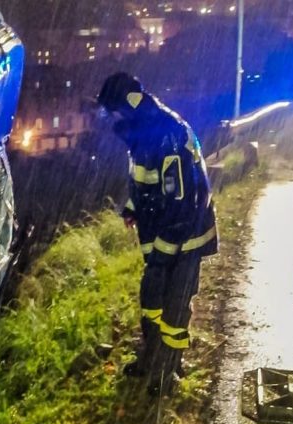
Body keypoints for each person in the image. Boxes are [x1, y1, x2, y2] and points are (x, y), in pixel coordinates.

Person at [96, 72, 218, 394]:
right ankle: (150, 358)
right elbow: (146, 181)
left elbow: (180, 202)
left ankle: (169, 372)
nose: (112, 119)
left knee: (174, 305)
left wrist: (163, 252)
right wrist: (134, 207)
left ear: (129, 105)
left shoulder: (166, 135)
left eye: (114, 111)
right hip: (164, 230)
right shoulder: (145, 133)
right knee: (152, 298)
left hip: (185, 235)